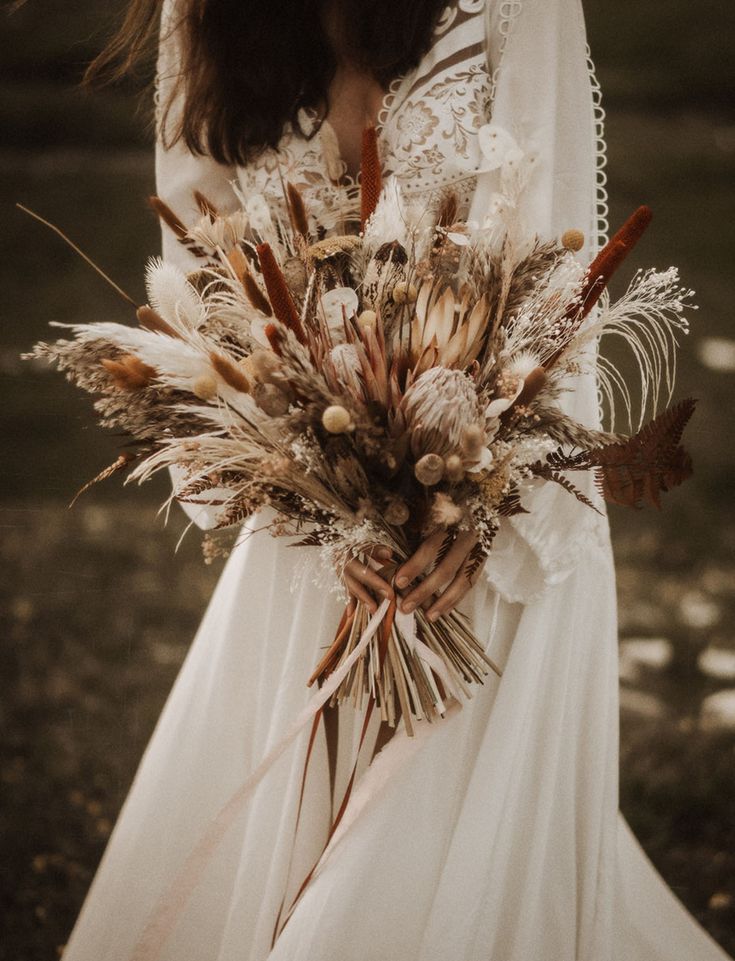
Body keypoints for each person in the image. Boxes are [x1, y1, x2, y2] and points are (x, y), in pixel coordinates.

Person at [61, 1, 731, 959]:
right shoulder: (204, 13)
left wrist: (488, 504)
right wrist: (306, 484)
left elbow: (558, 267)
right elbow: (202, 267)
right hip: (313, 539)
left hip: (488, 550)